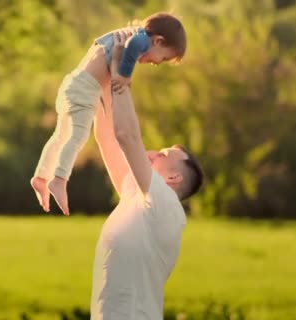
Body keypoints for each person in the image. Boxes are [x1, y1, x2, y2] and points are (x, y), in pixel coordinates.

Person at [90, 30, 204, 319]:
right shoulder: (136, 198)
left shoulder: (164, 205)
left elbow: (127, 135)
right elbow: (107, 136)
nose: (154, 153)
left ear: (174, 179)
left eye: (164, 155)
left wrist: (122, 72)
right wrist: (102, 73)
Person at [31, 12, 187, 215]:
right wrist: (123, 77)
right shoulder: (138, 40)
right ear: (158, 41)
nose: (158, 63)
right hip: (85, 91)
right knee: (77, 137)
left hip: (74, 84)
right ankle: (59, 180)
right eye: (163, 57)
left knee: (61, 136)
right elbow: (129, 51)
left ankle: (41, 176)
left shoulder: (131, 36)